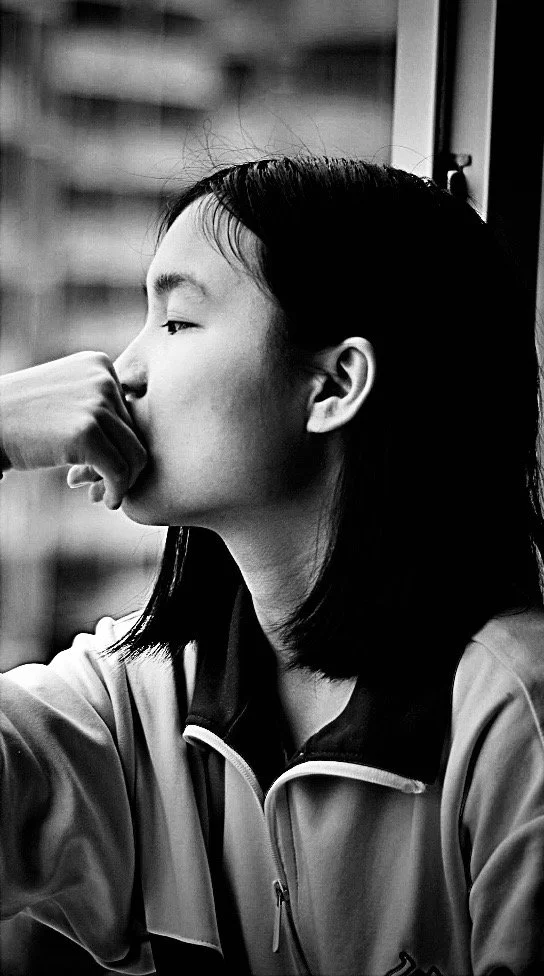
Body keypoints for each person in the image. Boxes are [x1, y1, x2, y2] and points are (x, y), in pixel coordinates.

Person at [0, 156, 543, 976]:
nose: (123, 371)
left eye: (177, 322)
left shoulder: (515, 711)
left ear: (334, 383)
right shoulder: (135, 704)